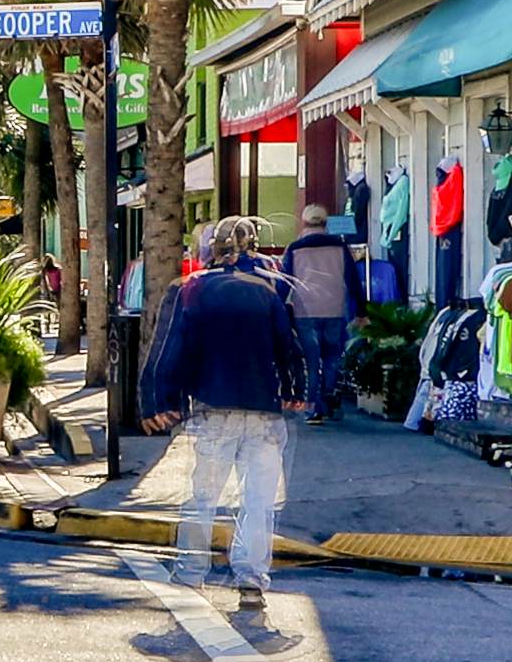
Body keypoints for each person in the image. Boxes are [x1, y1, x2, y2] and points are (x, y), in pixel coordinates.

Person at [138, 214, 305, 612]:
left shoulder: (190, 290)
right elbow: (291, 347)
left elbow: (168, 349)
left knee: (203, 497)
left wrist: (157, 402)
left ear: (208, 252)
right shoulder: (267, 292)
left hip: (214, 408)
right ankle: (250, 578)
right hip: (264, 410)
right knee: (259, 500)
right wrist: (295, 391)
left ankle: (192, 571)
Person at [278, 206, 365, 422]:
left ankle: (314, 408)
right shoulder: (340, 246)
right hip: (335, 308)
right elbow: (353, 280)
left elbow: (285, 282)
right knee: (332, 357)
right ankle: (328, 396)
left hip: (305, 310)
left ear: (304, 223)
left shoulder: (295, 248)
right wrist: (361, 311)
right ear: (326, 224)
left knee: (312, 359)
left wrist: (276, 307)